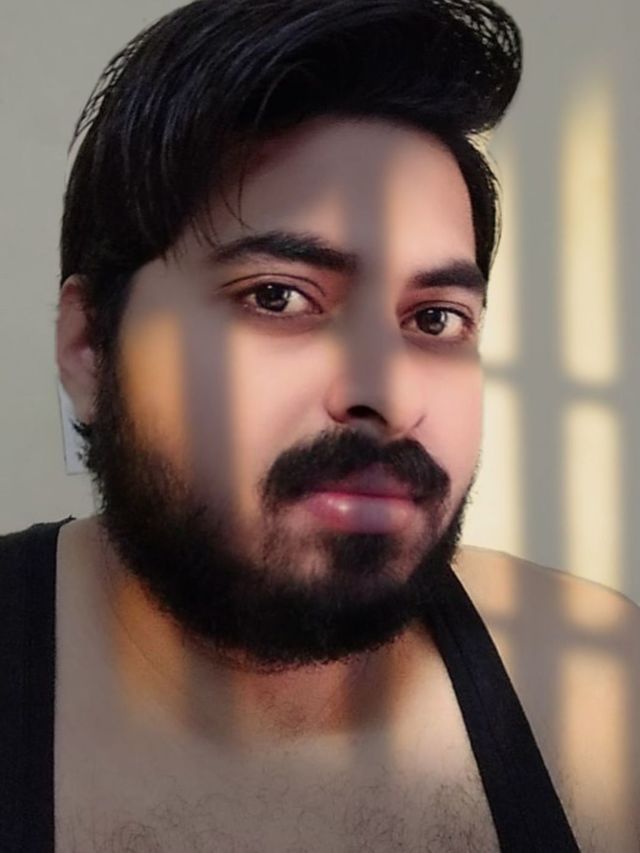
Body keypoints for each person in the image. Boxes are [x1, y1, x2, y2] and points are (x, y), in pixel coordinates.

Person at [1, 0, 638, 850]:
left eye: (436, 318)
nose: (388, 393)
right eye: (277, 296)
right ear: (88, 348)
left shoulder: (600, 691)